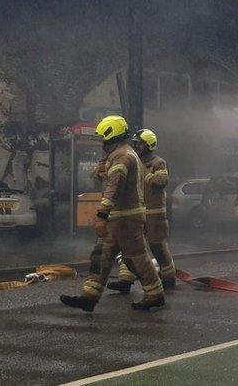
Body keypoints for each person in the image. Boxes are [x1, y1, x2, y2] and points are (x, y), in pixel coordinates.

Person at [60, 115, 166, 312]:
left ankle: (155, 294)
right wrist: (101, 170)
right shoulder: (120, 154)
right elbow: (105, 179)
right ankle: (89, 297)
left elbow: (114, 187)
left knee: (136, 258)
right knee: (101, 255)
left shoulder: (123, 156)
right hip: (120, 218)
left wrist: (101, 215)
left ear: (111, 134)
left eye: (103, 137)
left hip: (125, 218)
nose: (101, 141)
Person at [107, 128, 177, 293]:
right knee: (130, 246)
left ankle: (168, 277)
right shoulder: (134, 161)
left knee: (157, 245)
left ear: (149, 145)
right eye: (136, 143)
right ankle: (125, 280)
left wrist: (146, 175)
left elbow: (162, 180)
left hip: (154, 213)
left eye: (140, 143)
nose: (136, 146)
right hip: (137, 211)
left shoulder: (158, 162)